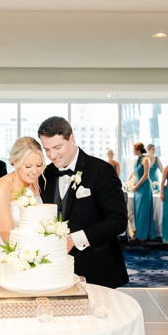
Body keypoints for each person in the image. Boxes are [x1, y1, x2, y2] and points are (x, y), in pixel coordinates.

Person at [34, 117, 129, 289]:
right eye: (47, 149)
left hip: (96, 269)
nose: (52, 155)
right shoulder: (45, 175)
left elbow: (118, 220)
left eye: (57, 147)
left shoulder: (101, 171)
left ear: (71, 138)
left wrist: (74, 239)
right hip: (55, 270)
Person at [0, 137, 48, 288]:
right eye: (28, 166)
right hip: (9, 252)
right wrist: (29, 260)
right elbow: (6, 234)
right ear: (15, 162)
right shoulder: (2, 187)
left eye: (39, 165)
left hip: (37, 250)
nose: (35, 171)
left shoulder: (37, 182)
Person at [131, 142, 157, 242]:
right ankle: (138, 232)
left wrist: (136, 186)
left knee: (143, 210)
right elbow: (134, 174)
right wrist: (132, 185)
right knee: (137, 210)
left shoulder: (145, 159)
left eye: (133, 148)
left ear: (138, 149)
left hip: (144, 187)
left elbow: (146, 175)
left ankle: (143, 234)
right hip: (137, 188)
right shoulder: (135, 160)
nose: (132, 150)